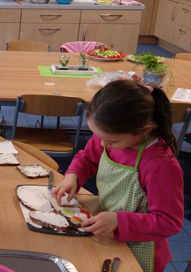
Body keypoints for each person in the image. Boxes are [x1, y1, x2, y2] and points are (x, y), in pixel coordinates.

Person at [52, 80, 184, 272]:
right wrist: (72, 176)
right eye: (98, 136)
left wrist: (119, 221)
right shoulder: (111, 136)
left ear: (144, 130)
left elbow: (169, 222)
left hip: (140, 250)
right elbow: (88, 159)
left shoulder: (161, 165)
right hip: (108, 230)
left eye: (111, 141)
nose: (103, 144)